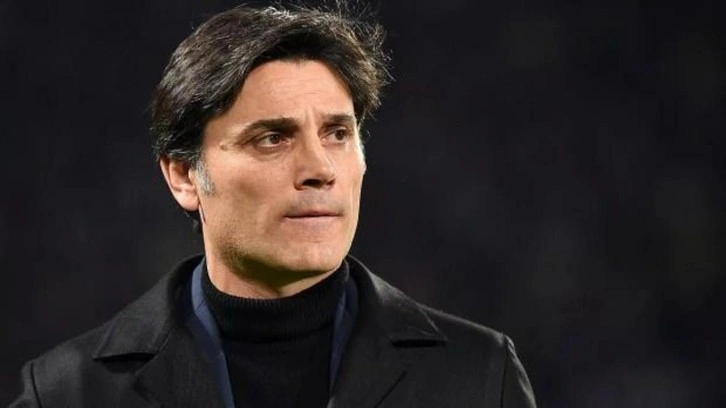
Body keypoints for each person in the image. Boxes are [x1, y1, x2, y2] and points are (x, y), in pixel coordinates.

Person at [11, 4, 536, 408]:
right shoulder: (69, 392)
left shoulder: (479, 376)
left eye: (337, 133)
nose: (320, 168)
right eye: (272, 139)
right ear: (184, 176)